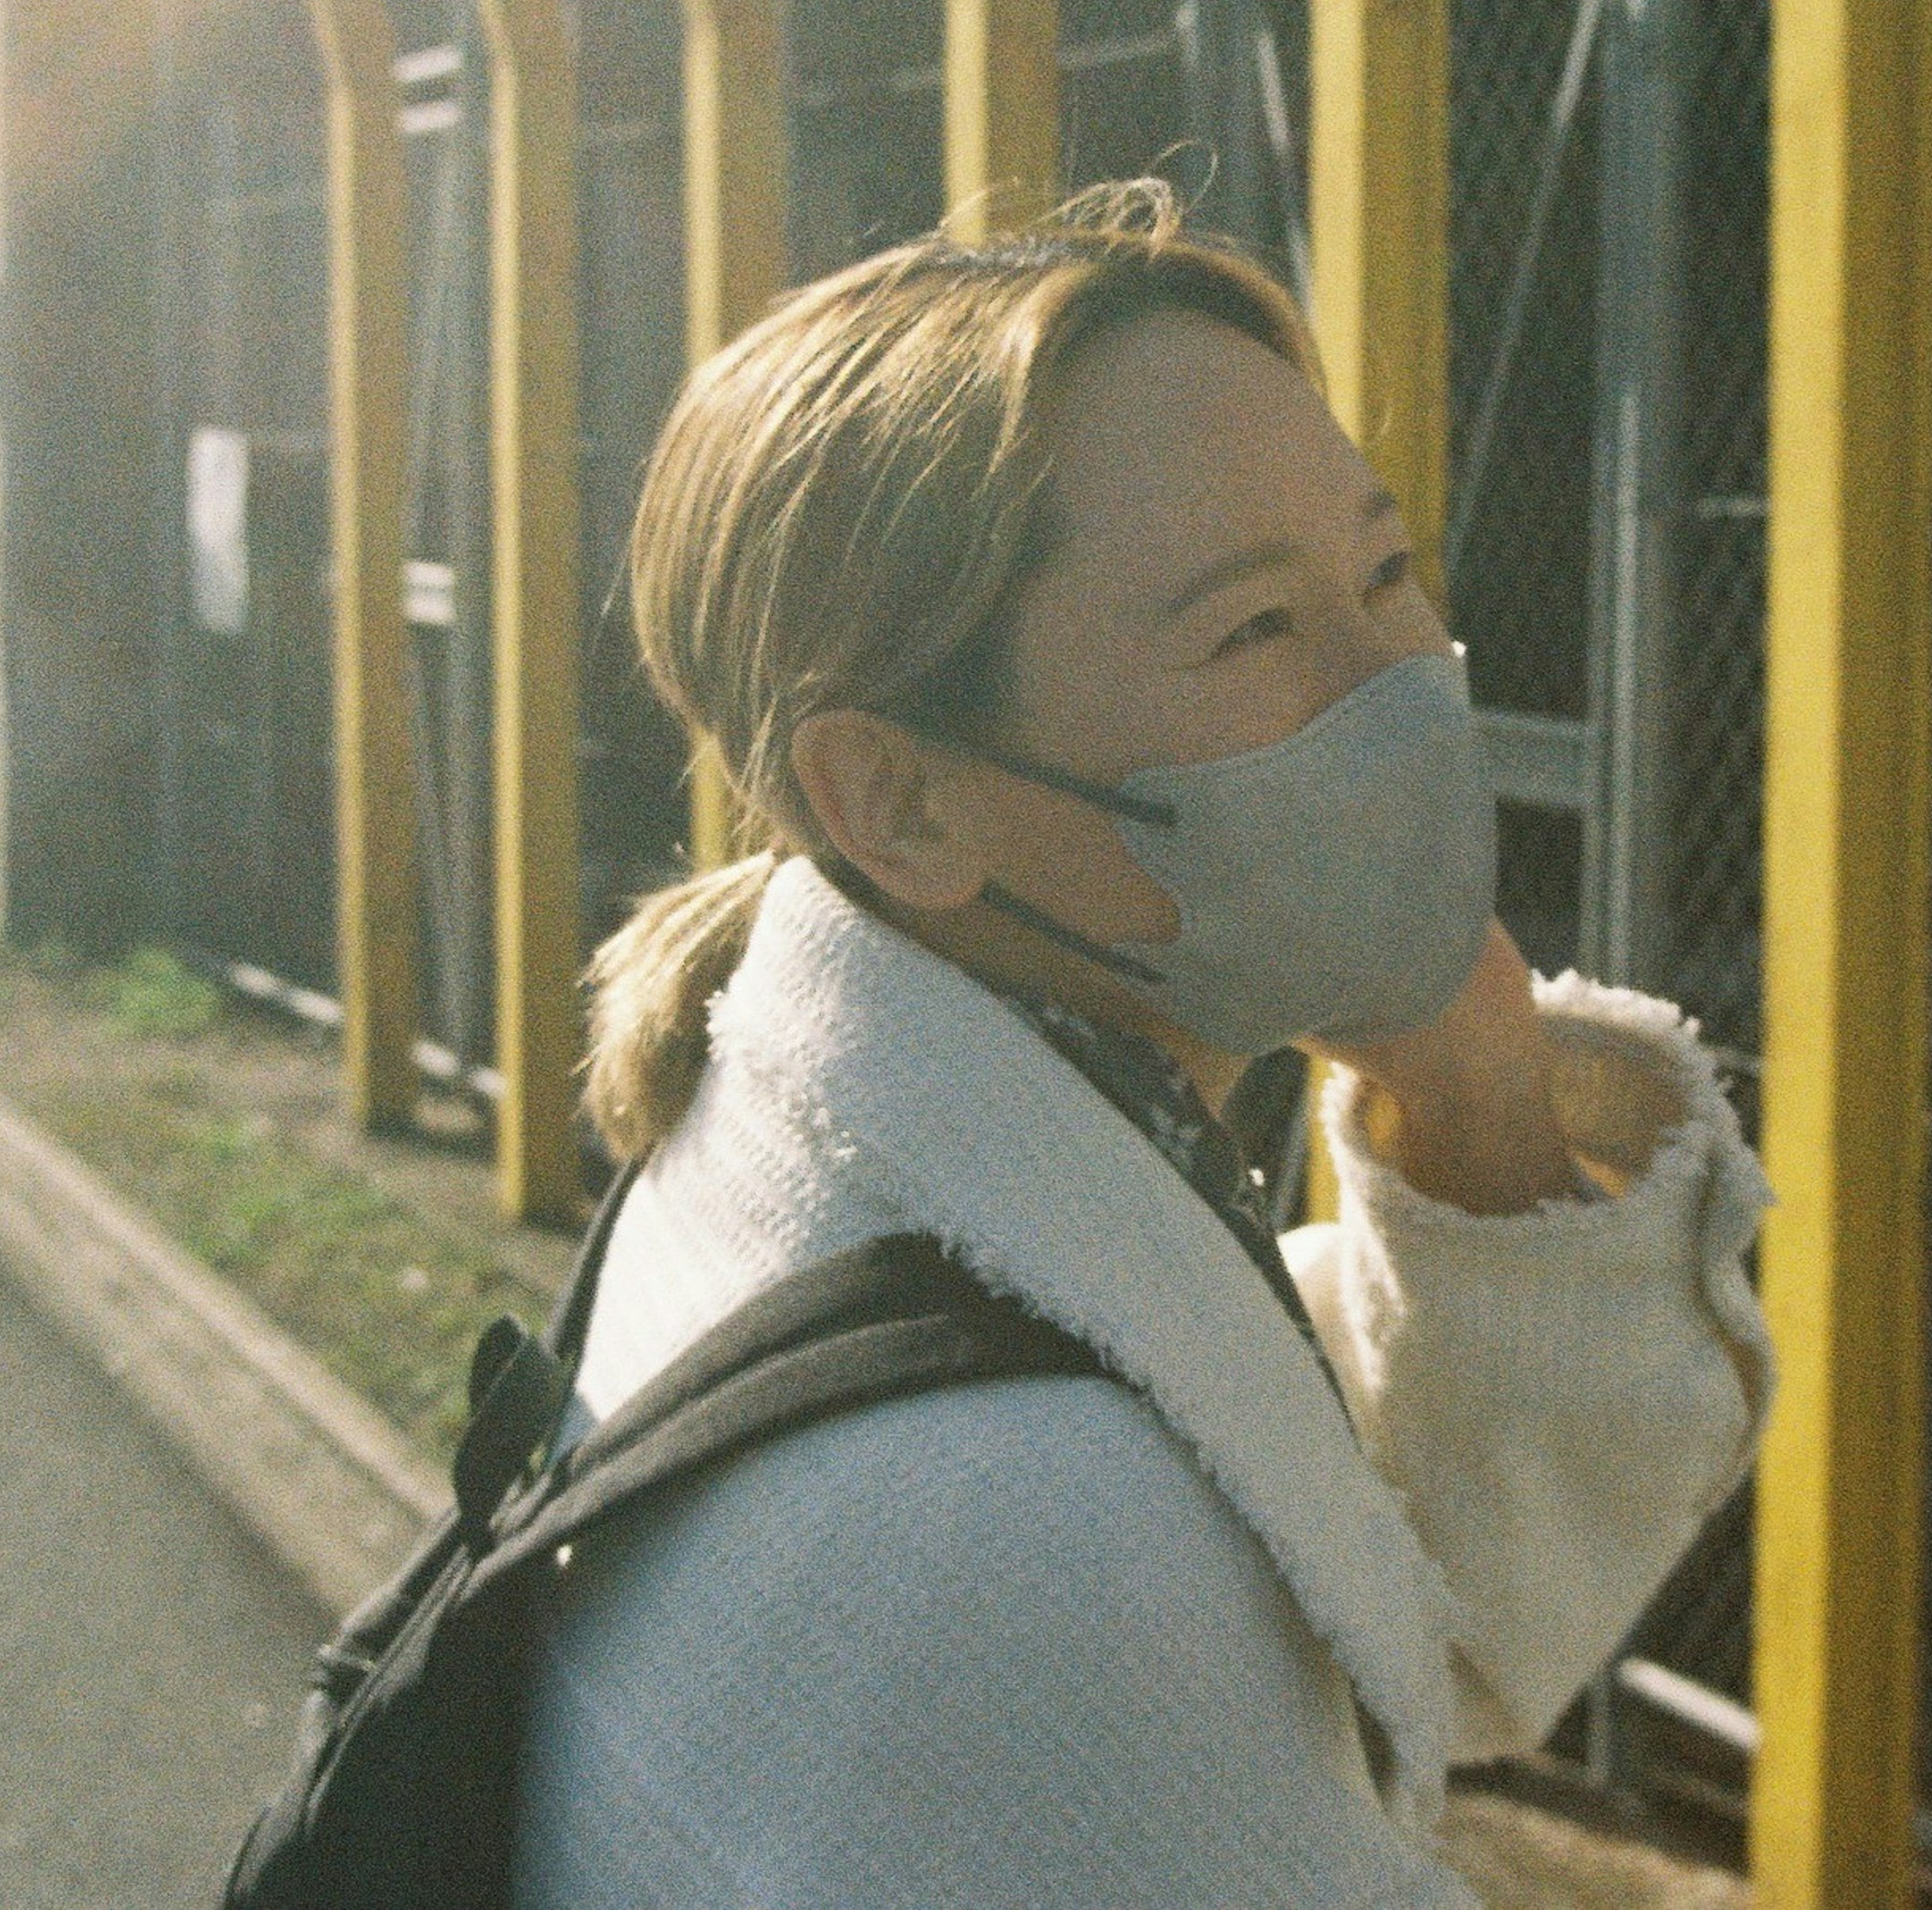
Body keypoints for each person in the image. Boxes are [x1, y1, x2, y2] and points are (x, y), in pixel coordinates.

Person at [515, 188, 1774, 1906]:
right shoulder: (1040, 1541)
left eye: (1386, 569)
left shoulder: (814, 1155)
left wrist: (1478, 1087)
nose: (1394, 677)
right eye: (1255, 628)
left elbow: (1404, 1582)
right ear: (895, 797)